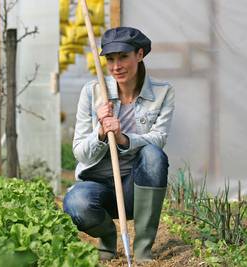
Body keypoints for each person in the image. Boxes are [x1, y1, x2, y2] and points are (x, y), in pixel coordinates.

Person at [63, 27, 175, 262]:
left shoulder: (163, 93)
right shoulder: (93, 93)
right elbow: (80, 152)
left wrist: (123, 138)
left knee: (154, 156)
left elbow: (158, 139)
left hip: (136, 187)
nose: (116, 66)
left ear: (140, 54)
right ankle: (107, 236)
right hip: (98, 187)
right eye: (110, 59)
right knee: (76, 203)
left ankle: (143, 249)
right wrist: (101, 132)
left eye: (123, 56)